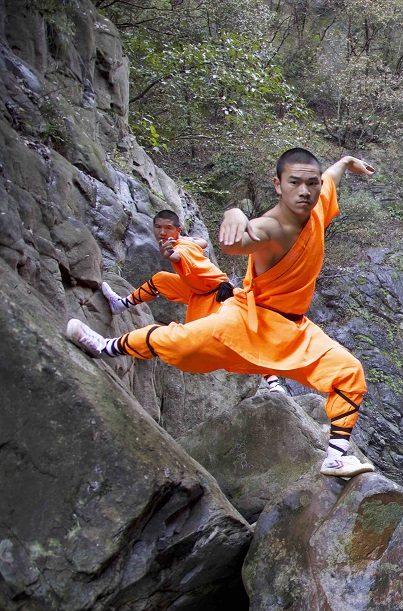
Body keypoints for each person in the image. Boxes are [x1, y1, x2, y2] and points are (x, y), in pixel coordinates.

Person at [67, 148, 376, 478]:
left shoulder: (316, 203)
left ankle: (335, 458)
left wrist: (344, 163)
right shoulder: (272, 227)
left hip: (295, 329)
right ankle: (104, 347)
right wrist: (234, 215)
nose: (305, 191)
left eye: (311, 184)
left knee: (349, 372)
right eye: (295, 183)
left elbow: (330, 179)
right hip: (247, 319)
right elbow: (238, 242)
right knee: (180, 343)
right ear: (278, 185)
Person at [102, 210, 286, 394]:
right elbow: (202, 243)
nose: (162, 232)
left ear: (177, 229)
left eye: (168, 228)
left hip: (218, 296)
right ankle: (122, 304)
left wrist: (171, 254)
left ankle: (273, 381)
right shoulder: (186, 242)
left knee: (235, 338)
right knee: (161, 280)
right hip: (197, 290)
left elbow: (180, 255)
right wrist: (193, 241)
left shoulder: (181, 247)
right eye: (158, 227)